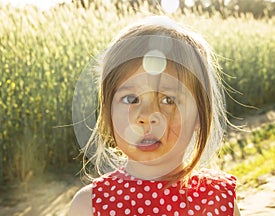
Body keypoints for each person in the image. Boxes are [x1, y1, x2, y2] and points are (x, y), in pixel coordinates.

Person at [69, 15, 241, 216]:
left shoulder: (216, 199)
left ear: (200, 115)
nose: (147, 116)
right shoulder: (88, 206)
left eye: (168, 100)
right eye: (131, 99)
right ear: (108, 113)